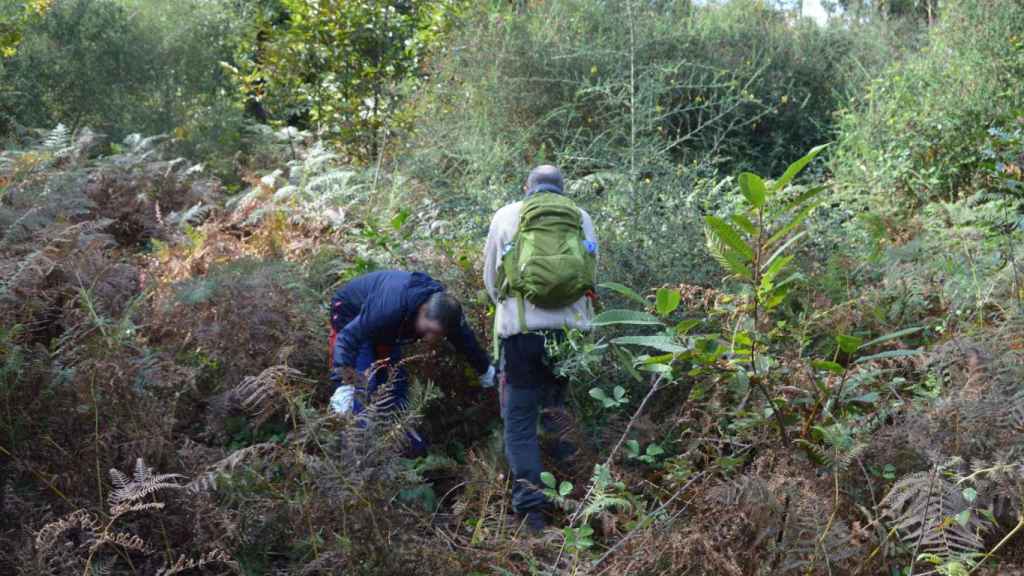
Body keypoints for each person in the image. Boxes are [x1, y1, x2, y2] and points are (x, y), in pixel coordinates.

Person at [483, 165, 598, 534]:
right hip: (569, 335)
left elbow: (490, 278)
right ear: (562, 189)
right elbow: (591, 274)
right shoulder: (581, 218)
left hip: (521, 335)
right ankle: (582, 501)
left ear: (526, 187)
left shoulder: (506, 216)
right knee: (558, 414)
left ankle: (532, 516)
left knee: (519, 422)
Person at [327, 270, 495, 448]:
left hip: (387, 330)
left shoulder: (447, 314)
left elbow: (466, 342)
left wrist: (486, 371)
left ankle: (402, 449)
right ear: (422, 310)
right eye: (428, 330)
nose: (430, 338)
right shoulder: (389, 307)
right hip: (350, 316)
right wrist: (343, 385)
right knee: (364, 386)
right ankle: (358, 452)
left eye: (438, 334)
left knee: (396, 385)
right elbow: (347, 338)